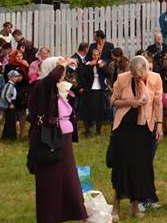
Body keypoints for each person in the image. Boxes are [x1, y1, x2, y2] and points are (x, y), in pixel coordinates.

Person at [28, 56, 88, 223]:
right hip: (49, 140)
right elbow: (52, 78)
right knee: (50, 180)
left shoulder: (55, 89)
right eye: (59, 68)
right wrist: (64, 63)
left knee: (68, 178)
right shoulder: (41, 85)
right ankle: (50, 216)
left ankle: (72, 212)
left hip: (62, 139)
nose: (62, 73)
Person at [109, 55, 162, 220]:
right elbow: (113, 101)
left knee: (140, 167)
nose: (138, 79)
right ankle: (116, 208)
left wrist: (159, 125)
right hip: (124, 129)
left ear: (146, 70)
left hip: (144, 129)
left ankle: (135, 207)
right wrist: (130, 102)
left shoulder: (155, 79)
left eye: (140, 76)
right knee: (123, 167)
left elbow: (158, 103)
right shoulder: (122, 79)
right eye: (135, 76)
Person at [77, 44, 108, 136]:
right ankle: (87, 131)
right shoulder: (86, 64)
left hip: (99, 89)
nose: (96, 57)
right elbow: (83, 76)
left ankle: (98, 131)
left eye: (97, 55)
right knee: (87, 110)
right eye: (94, 55)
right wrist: (90, 66)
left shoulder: (101, 63)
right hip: (89, 90)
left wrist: (103, 68)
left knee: (100, 110)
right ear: (91, 55)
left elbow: (108, 74)